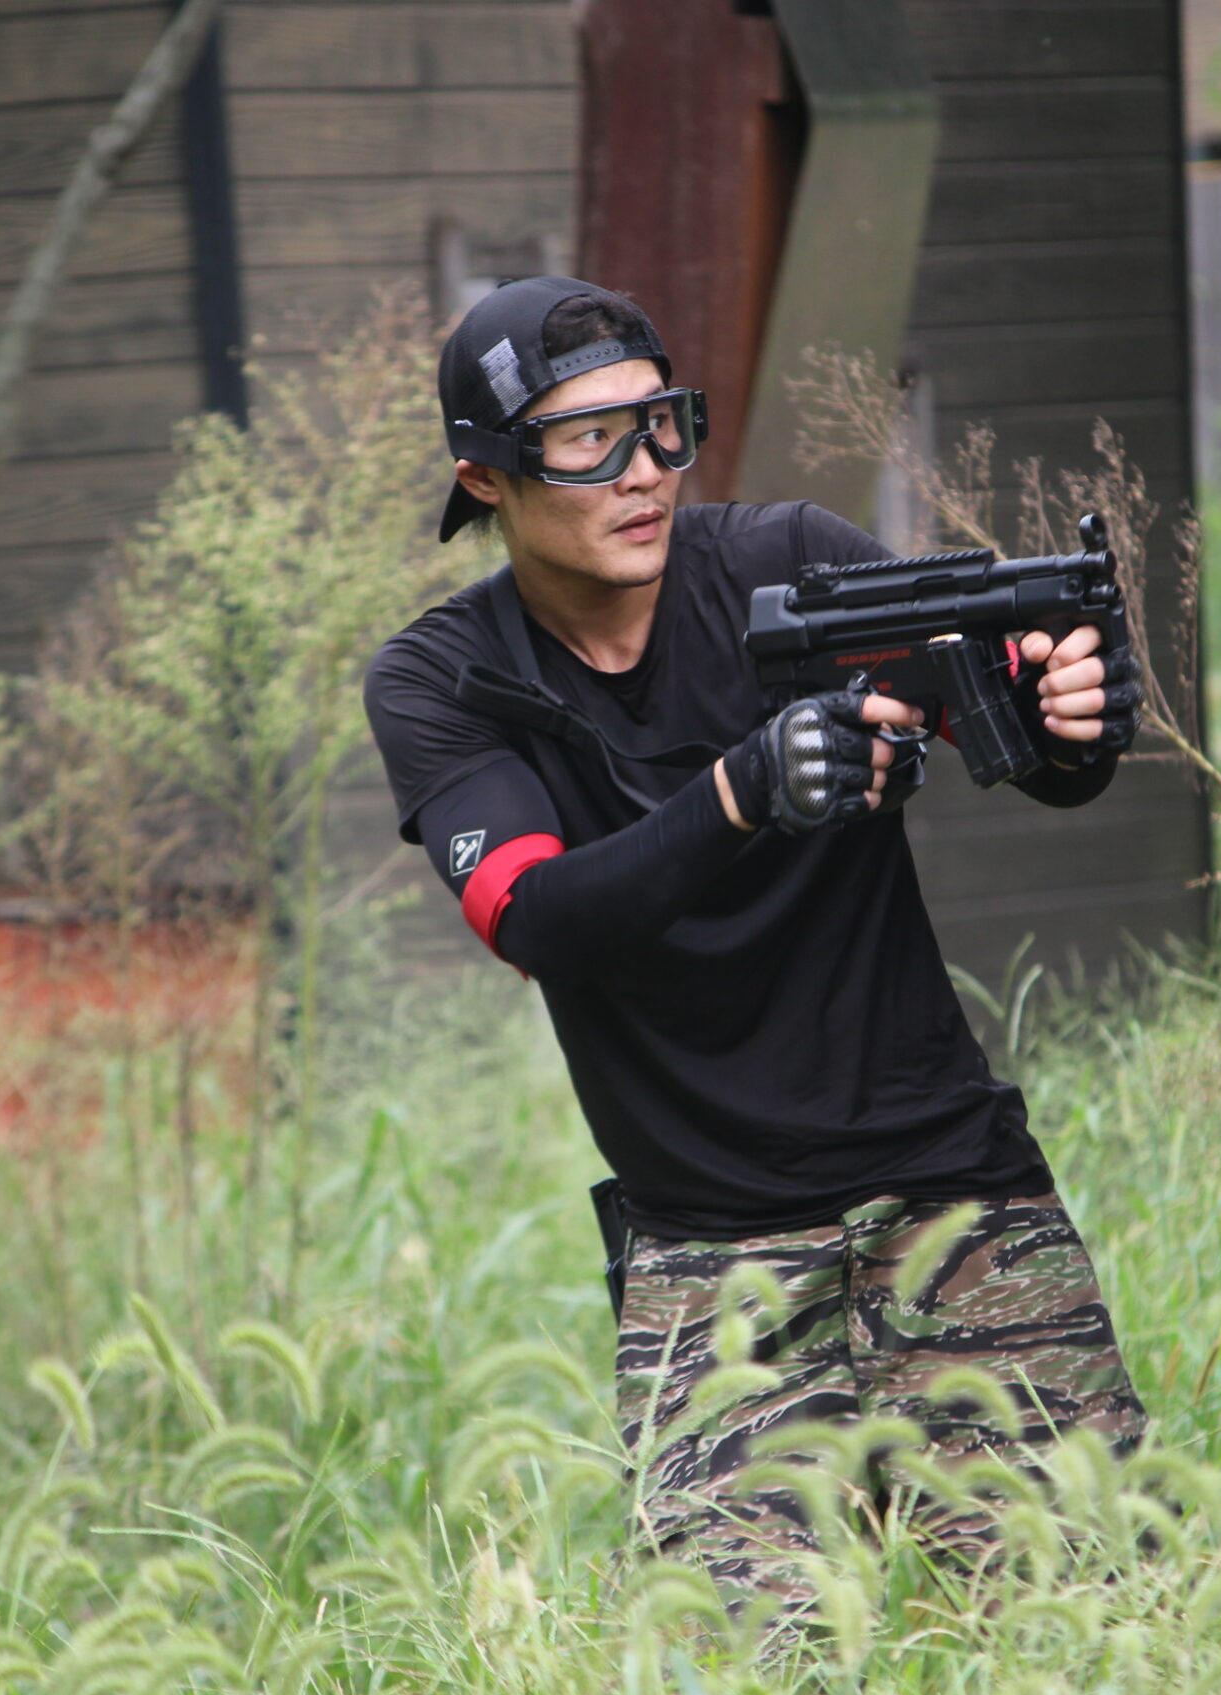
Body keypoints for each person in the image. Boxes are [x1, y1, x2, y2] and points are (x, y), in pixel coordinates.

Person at [364, 276, 1147, 1612]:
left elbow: (1020, 734)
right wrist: (745, 787)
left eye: (659, 425)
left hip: (956, 1202)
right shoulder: (446, 678)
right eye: (586, 441)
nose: (642, 472)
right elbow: (537, 918)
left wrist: (1072, 715)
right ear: (485, 478)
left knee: (1085, 1623)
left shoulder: (790, 564)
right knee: (741, 1662)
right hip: (708, 1258)